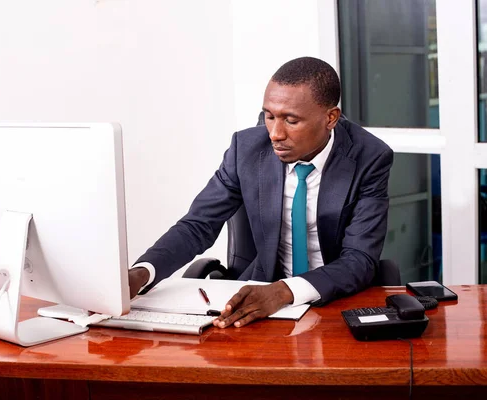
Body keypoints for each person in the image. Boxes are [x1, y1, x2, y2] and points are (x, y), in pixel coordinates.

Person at [128, 56, 393, 328]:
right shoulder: (246, 149)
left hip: (334, 300)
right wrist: (142, 272)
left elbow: (359, 259)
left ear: (330, 118)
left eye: (291, 120)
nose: (275, 134)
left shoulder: (369, 157)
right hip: (260, 295)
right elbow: (197, 225)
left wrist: (284, 291)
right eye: (269, 116)